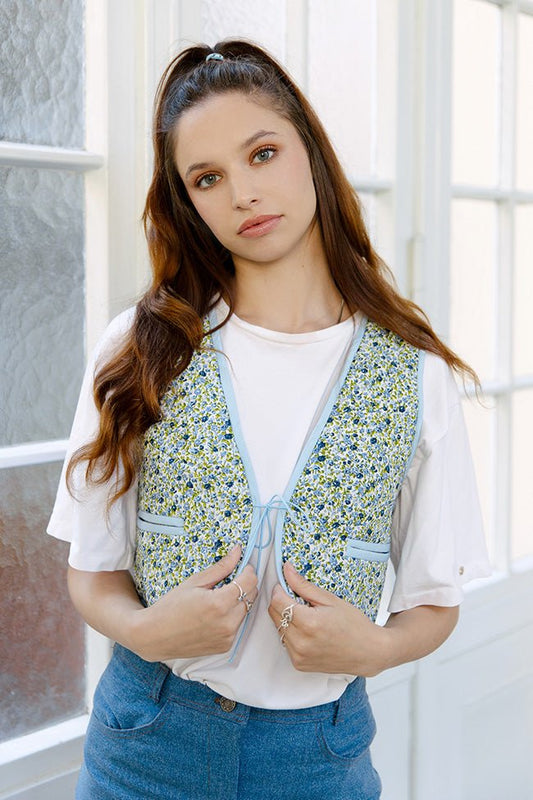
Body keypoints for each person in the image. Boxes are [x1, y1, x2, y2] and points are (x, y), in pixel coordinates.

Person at [48, 39, 491, 800]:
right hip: (147, 742)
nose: (243, 195)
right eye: (208, 178)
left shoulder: (415, 374)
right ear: (188, 203)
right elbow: (92, 571)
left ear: (309, 150)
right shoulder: (141, 349)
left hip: (316, 757)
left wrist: (375, 648)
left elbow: (433, 600)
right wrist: (146, 631)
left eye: (262, 154)